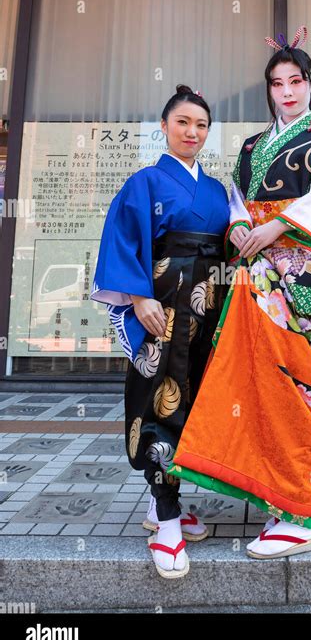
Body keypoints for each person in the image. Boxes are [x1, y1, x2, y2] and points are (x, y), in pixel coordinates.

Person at [166, 26, 311, 559]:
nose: (286, 91)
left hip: (304, 276)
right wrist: (241, 226)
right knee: (258, 380)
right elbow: (239, 201)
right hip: (256, 274)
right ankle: (276, 493)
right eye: (276, 83)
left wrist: (277, 228)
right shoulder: (252, 147)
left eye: (295, 81)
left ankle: (302, 510)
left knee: (304, 380)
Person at [90, 85, 230, 578]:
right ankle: (167, 521)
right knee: (159, 401)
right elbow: (123, 241)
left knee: (194, 404)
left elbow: (231, 247)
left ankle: (159, 504)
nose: (192, 132)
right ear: (165, 127)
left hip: (206, 310)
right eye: (183, 123)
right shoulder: (145, 182)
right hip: (162, 312)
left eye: (201, 126)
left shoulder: (216, 190)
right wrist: (138, 296)